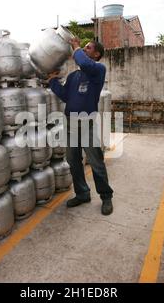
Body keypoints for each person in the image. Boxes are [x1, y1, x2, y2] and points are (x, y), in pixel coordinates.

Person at [48, 38, 114, 216]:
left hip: (87, 124)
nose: (84, 49)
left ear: (97, 54)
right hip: (70, 124)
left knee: (95, 161)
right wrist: (53, 81)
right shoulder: (73, 76)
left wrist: (76, 47)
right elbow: (65, 96)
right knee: (73, 161)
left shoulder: (98, 70)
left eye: (88, 47)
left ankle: (106, 197)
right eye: (83, 47)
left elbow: (84, 62)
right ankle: (82, 193)